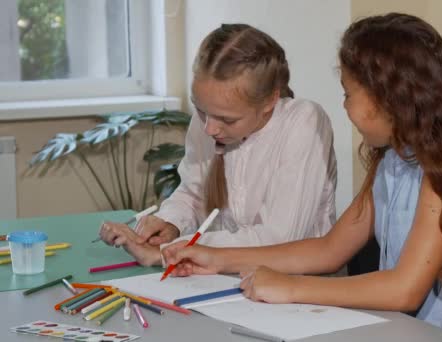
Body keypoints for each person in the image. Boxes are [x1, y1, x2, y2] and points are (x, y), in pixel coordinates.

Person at [160, 13, 442, 341]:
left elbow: (404, 290)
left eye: (348, 94)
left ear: (389, 98)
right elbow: (329, 250)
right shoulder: (392, 161)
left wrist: (291, 287)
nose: (343, 106)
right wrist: (217, 258)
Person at [99, 23, 337, 266]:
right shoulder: (210, 119)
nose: (209, 129)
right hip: (223, 280)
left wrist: (176, 250)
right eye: (200, 110)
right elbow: (193, 194)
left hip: (301, 287)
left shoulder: (304, 122)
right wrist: (171, 223)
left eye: (227, 119)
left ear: (269, 100)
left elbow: (280, 239)